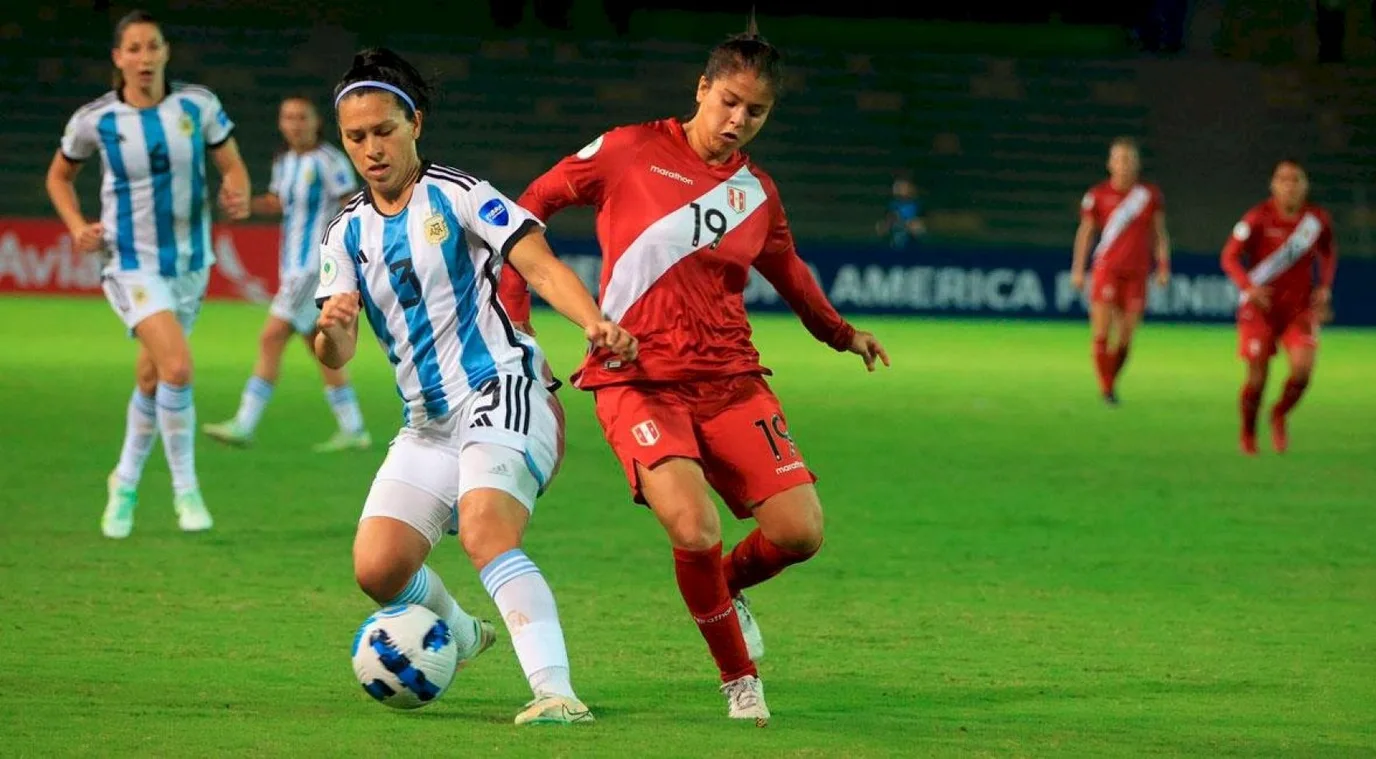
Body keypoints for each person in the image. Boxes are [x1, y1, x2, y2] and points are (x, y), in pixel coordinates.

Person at [498, 23, 889, 724]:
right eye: (730, 102)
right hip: (636, 379)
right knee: (695, 527)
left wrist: (842, 333)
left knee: (801, 532)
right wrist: (516, 306)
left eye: (757, 112)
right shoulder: (628, 150)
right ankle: (739, 678)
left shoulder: (757, 193)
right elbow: (532, 206)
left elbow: (790, 273)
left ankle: (726, 588)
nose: (739, 121)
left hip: (731, 379)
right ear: (702, 89)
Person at [314, 48, 637, 725]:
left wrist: (594, 322)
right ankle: (460, 632)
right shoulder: (344, 232)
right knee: (378, 568)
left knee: (486, 530)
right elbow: (334, 349)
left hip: (503, 388)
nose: (371, 148)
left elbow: (538, 264)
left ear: (415, 125)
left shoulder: (459, 193)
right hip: (427, 420)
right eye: (355, 137)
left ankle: (556, 689)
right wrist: (334, 328)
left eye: (383, 130)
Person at [44, 9, 252, 538]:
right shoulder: (96, 120)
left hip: (189, 264)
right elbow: (59, 177)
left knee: (151, 376)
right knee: (178, 369)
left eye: (152, 46)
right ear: (118, 58)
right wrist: (75, 225)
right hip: (130, 264)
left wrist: (239, 189)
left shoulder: (197, 106)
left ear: (165, 53)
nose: (143, 57)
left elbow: (232, 164)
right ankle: (187, 490)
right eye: (132, 48)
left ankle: (125, 481)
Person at [203, 96, 370, 451]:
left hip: (313, 266)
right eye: (288, 117)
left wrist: (352, 260)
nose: (295, 124)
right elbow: (280, 202)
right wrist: (247, 204)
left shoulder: (330, 161)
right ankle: (353, 428)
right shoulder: (285, 161)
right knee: (320, 346)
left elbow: (351, 206)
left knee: (271, 337)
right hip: (293, 264)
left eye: (302, 117)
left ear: (316, 122)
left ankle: (244, 424)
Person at [1220, 159, 1337, 455]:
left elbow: (1328, 252)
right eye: (1283, 180)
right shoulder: (1258, 217)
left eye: (1296, 180)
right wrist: (1249, 288)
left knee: (1302, 371)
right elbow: (1229, 257)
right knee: (1257, 379)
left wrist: (1324, 286)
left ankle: (1279, 414)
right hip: (1261, 308)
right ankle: (1248, 432)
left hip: (1299, 309)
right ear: (1273, 185)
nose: (1289, 186)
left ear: (1305, 186)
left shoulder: (1317, 220)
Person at [1070, 137, 1171, 406]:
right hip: (1107, 270)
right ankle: (1107, 389)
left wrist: (1163, 265)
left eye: (1129, 159)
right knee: (1102, 332)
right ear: (1109, 164)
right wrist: (1078, 269)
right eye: (1119, 159)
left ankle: (1110, 382)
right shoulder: (1097, 196)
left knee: (1126, 337)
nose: (1124, 165)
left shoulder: (1149, 196)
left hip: (1137, 273)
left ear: (1137, 164)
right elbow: (1086, 232)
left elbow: (1159, 234)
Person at [876, 176, 926, 250]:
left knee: (916, 226)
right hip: (897, 229)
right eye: (896, 186)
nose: (898, 189)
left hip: (911, 233)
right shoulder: (892, 204)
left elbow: (921, 221)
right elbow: (889, 218)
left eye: (902, 187)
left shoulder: (917, 204)